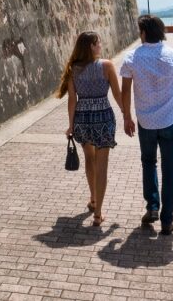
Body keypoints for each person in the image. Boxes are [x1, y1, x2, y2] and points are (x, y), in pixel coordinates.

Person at [120, 15, 173, 235]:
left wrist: (127, 116)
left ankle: (152, 207)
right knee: (170, 168)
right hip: (170, 120)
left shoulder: (132, 58)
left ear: (143, 32)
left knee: (148, 163)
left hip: (146, 122)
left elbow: (125, 91)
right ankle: (167, 218)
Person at [55, 31, 126, 226]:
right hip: (103, 116)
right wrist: (126, 114)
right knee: (102, 164)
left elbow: (72, 100)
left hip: (83, 118)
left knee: (89, 159)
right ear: (91, 47)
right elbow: (118, 95)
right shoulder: (107, 66)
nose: (100, 45)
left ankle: (93, 199)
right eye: (98, 43)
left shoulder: (73, 69)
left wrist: (71, 125)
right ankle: (98, 213)